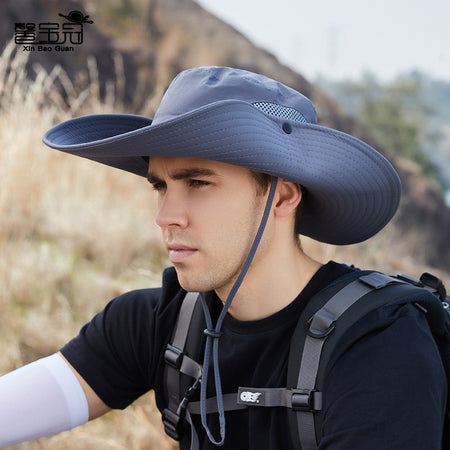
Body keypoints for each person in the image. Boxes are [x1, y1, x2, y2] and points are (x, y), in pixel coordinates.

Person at [0, 66, 446, 449]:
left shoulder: (380, 343)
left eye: (198, 183)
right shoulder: (159, 325)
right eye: (161, 186)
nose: (165, 216)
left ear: (282, 196)